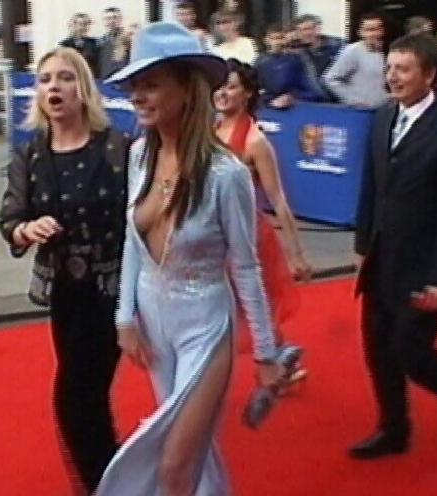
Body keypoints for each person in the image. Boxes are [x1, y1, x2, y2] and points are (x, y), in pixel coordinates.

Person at [95, 22, 284, 495]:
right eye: (133, 85)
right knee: (198, 455)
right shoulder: (139, 155)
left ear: (186, 89)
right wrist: (124, 317)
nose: (138, 96)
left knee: (176, 464)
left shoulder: (226, 174)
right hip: (153, 322)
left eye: (150, 83)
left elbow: (246, 267)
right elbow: (132, 239)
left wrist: (266, 352)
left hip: (206, 324)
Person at [0, 47, 130, 492]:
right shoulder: (31, 156)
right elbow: (10, 220)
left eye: (65, 77)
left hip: (112, 289)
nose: (54, 87)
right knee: (86, 396)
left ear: (84, 88)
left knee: (76, 395)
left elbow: (142, 215)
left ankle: (103, 482)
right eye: (45, 79)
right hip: (66, 293)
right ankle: (109, 479)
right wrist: (28, 229)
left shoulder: (116, 147)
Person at [351, 34, 437, 460]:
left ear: (430, 74)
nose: (393, 77)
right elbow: (370, 186)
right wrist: (362, 246)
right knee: (378, 347)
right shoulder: (383, 115)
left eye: (403, 69)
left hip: (424, 266)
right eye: (389, 68)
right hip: (381, 260)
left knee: (412, 352)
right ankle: (393, 429)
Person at [213, 58, 311, 379]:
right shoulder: (209, 131)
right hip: (214, 236)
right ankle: (280, 358)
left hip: (249, 237)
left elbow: (278, 199)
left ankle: (278, 360)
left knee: (256, 307)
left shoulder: (256, 142)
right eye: (219, 86)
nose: (222, 93)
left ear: (248, 93)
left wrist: (296, 255)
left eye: (231, 87)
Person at [324, 12, 390, 109]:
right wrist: (352, 99)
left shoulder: (383, 51)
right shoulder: (352, 51)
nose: (375, 33)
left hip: (381, 110)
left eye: (378, 29)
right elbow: (330, 79)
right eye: (370, 30)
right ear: (360, 32)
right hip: (362, 111)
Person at [256, 23, 327, 108]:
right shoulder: (260, 62)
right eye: (274, 38)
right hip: (267, 109)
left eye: (281, 38)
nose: (278, 42)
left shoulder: (297, 61)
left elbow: (315, 92)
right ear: (266, 40)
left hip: (296, 108)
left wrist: (292, 98)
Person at [98, 7, 128, 79]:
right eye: (108, 18)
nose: (111, 21)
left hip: (124, 79)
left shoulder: (128, 39)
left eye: (115, 17)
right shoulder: (99, 42)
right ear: (104, 21)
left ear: (120, 19)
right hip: (104, 80)